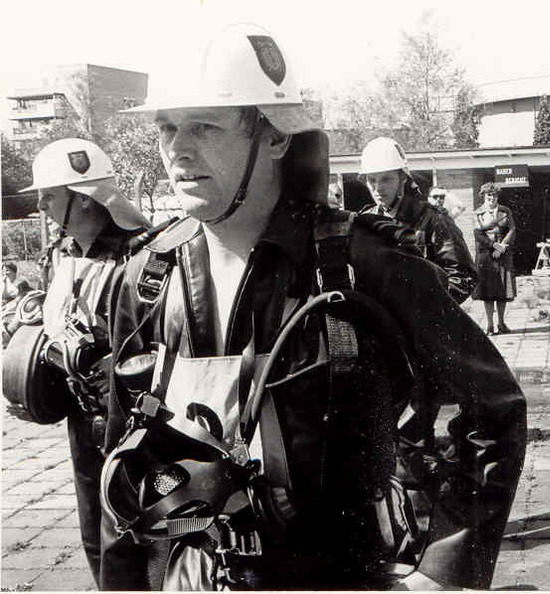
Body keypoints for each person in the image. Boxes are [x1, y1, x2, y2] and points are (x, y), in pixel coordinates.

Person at [101, 24, 525, 591]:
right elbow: (122, 457)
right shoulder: (149, 279)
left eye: (205, 126)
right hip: (188, 575)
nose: (178, 149)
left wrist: (443, 569)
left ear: (275, 137)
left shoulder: (361, 265)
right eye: (167, 127)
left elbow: (494, 408)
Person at [15, 138, 151, 586]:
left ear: (86, 198)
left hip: (131, 420)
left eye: (49, 195)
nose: (40, 205)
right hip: (82, 417)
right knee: (94, 532)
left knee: (136, 534)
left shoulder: (143, 256)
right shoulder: (63, 253)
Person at [359, 137, 477, 304]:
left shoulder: (433, 219)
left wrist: (423, 308)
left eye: (386, 179)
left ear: (403, 178)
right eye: (372, 180)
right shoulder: (364, 222)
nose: (378, 188)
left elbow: (463, 276)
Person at [472, 183, 516, 335]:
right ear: (483, 196)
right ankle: (490, 325)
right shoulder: (478, 213)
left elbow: (512, 229)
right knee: (488, 292)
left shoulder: (505, 211)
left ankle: (501, 323)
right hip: (486, 255)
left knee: (502, 290)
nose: (492, 198)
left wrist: (502, 246)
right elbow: (478, 234)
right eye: (489, 195)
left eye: (494, 195)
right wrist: (493, 246)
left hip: (503, 253)